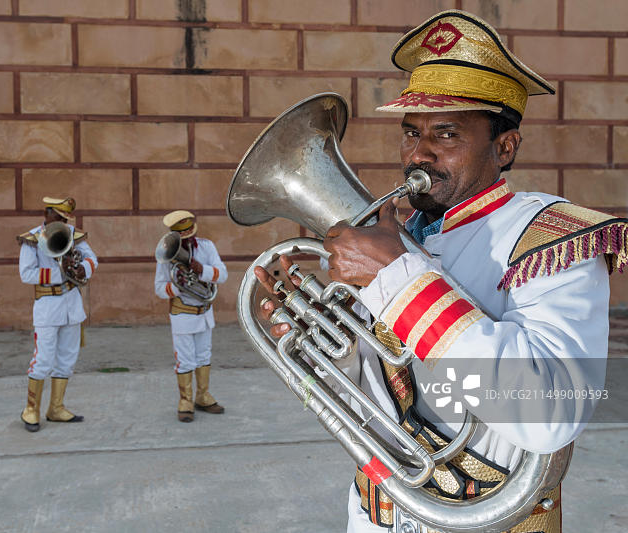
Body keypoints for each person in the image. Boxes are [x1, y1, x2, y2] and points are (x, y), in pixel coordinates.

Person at [255, 10, 626, 533]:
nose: (419, 153)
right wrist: (323, 337)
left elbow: (550, 411)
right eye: (411, 133)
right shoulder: (400, 237)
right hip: (374, 513)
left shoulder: (552, 236)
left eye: (446, 134)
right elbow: (384, 387)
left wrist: (397, 280)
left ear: (505, 147)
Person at [16, 196, 98, 432]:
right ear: (46, 214)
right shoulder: (31, 239)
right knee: (42, 359)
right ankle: (31, 409)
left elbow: (93, 259)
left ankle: (56, 407)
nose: (62, 222)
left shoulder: (74, 234)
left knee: (67, 359)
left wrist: (83, 268)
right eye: (58, 217)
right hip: (48, 307)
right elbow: (26, 274)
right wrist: (61, 273)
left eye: (65, 218)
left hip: (72, 305)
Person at [154, 210, 228, 422]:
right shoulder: (166, 254)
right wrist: (179, 285)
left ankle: (203, 396)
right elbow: (159, 288)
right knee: (185, 360)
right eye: (182, 239)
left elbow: (222, 274)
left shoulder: (206, 246)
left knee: (204, 356)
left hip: (204, 313)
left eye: (189, 236)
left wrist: (202, 269)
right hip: (182, 315)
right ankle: (185, 400)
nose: (187, 242)